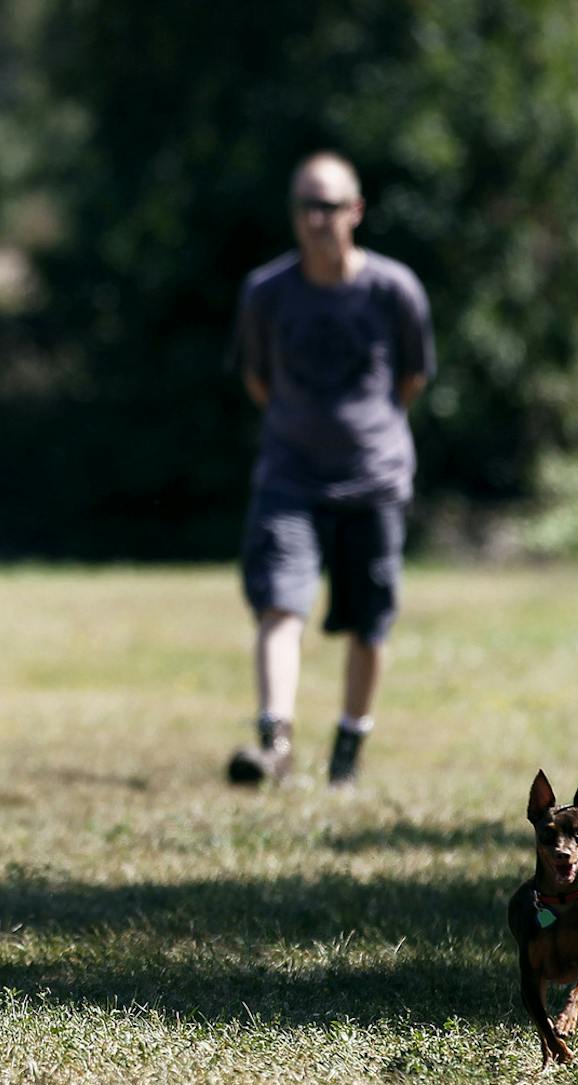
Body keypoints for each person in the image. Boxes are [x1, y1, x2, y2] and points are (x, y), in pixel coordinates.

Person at [227, 151, 434, 788]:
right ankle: (276, 743)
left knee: (369, 623)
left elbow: (413, 377)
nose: (317, 220)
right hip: (290, 475)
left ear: (356, 211)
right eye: (306, 207)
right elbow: (258, 380)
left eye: (330, 206)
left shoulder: (394, 289)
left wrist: (363, 435)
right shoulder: (266, 293)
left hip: (373, 478)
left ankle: (349, 744)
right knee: (279, 606)